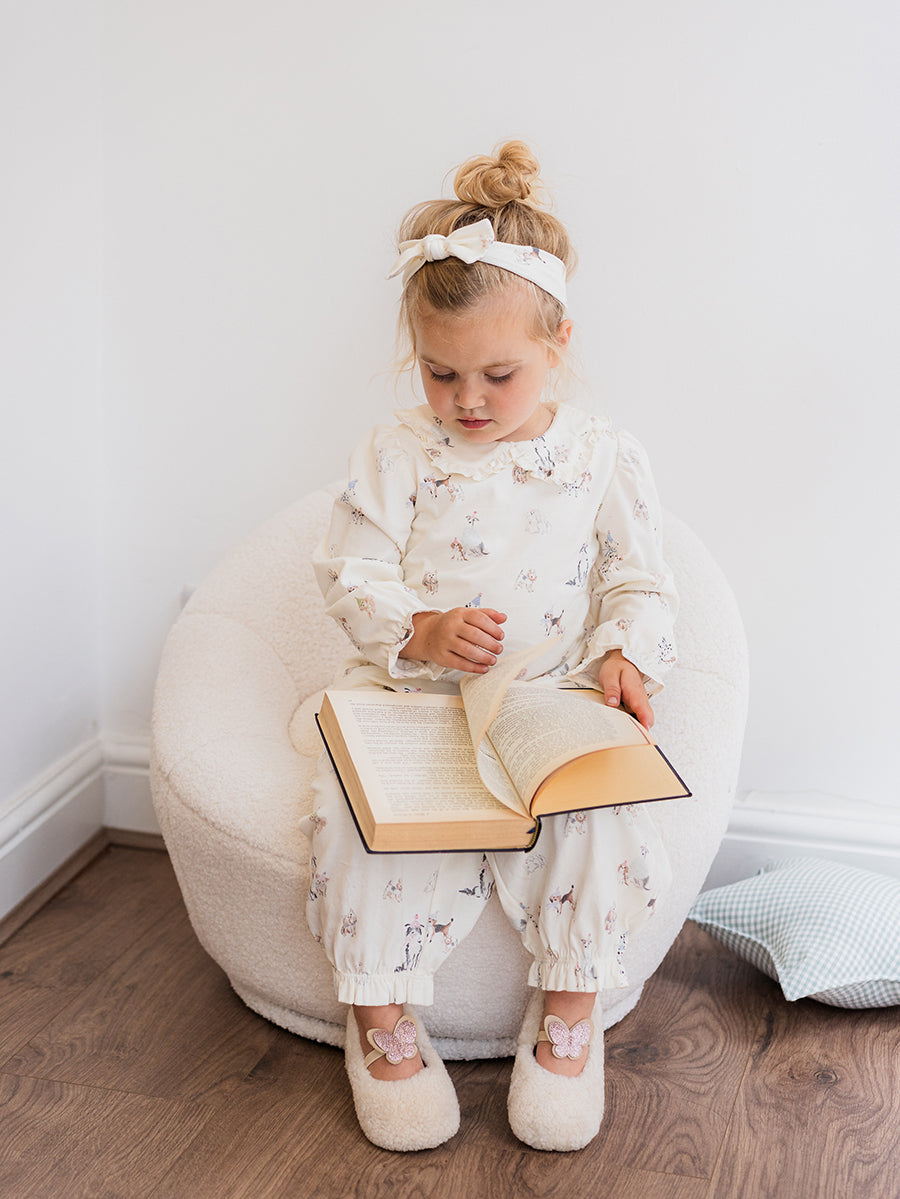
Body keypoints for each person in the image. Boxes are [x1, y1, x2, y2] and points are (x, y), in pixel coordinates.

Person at [303, 141, 678, 1153]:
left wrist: (625, 655)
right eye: (441, 372)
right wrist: (420, 629)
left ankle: (569, 1007)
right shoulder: (398, 451)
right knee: (357, 812)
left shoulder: (602, 456)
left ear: (559, 344)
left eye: (498, 374)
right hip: (418, 695)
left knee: (599, 807)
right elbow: (349, 566)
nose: (467, 399)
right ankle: (381, 1015)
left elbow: (641, 579)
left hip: (546, 696)